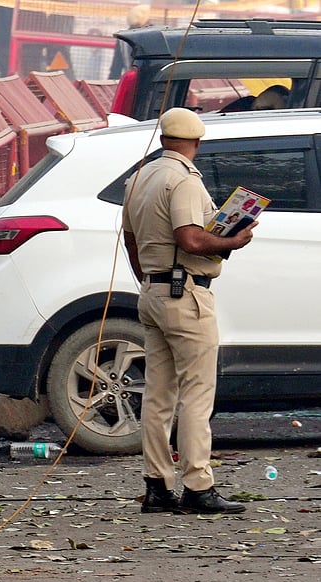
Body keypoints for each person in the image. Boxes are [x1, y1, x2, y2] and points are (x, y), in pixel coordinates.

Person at [121, 108, 256, 515]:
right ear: (196, 143)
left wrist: (150, 278)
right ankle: (198, 485)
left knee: (158, 395)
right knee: (196, 395)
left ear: (164, 138)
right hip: (187, 295)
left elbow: (130, 241)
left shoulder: (138, 178)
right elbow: (192, 239)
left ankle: (158, 486)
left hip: (153, 293)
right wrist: (235, 241)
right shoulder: (183, 180)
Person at [109, 4, 151, 79]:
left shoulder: (123, 38)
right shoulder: (151, 35)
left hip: (131, 79)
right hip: (147, 81)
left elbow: (116, 68)